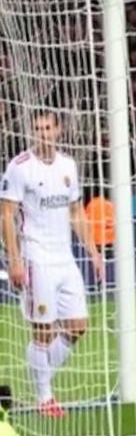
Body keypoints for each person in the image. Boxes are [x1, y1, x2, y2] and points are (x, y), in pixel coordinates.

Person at [1, 110, 105, 418]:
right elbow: (6, 215)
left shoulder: (68, 165)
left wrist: (94, 251)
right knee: (42, 330)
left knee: (78, 326)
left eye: (48, 127)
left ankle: (42, 373)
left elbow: (76, 212)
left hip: (65, 257)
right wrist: (16, 260)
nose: (42, 133)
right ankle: (45, 396)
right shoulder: (20, 167)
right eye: (37, 128)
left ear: (59, 130)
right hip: (36, 257)